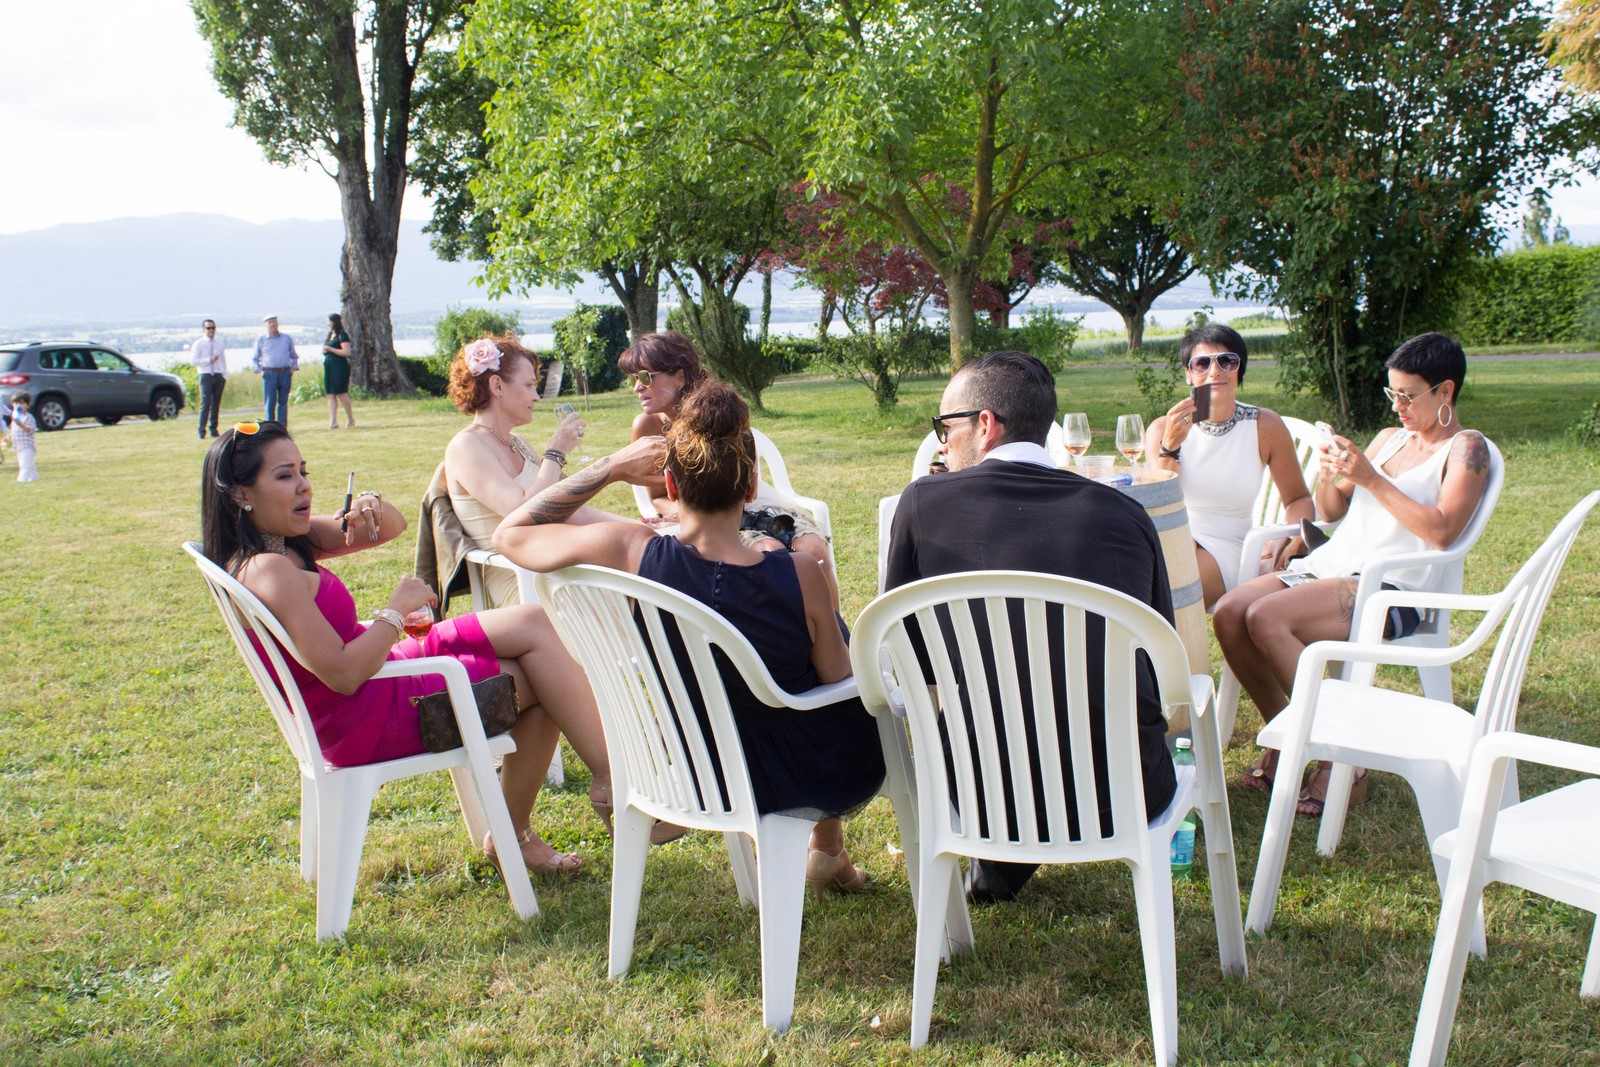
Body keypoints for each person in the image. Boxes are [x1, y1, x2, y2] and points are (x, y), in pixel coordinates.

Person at [493, 380, 885, 896]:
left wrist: (610, 467)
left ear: (671, 487)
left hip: (688, 769)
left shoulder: (632, 550)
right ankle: (827, 847)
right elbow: (837, 679)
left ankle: (828, 853)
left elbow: (511, 533)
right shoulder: (800, 573)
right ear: (751, 487)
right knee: (838, 659)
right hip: (793, 773)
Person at [201, 419, 614, 874]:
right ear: (240, 494)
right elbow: (344, 675)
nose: (304, 486)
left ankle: (594, 789)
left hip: (384, 675)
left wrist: (369, 503)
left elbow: (390, 527)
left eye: (304, 471)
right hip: (367, 716)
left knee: (533, 621)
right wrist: (394, 612)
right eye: (285, 476)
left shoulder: (285, 543)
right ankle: (580, 802)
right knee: (546, 677)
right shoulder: (270, 570)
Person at [884, 351, 1178, 903]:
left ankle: (999, 863)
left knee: (995, 711)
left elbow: (909, 658)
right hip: (1121, 788)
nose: (942, 444)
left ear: (985, 425)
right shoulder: (1125, 515)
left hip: (978, 789)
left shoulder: (923, 504)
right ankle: (1002, 869)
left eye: (946, 428)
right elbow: (1163, 664)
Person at [1214, 332, 1494, 815]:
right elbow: (1331, 511)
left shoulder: (1467, 448)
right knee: (1229, 612)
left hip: (1394, 587)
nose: (1397, 406)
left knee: (1265, 617)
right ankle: (1291, 738)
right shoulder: (1389, 439)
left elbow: (1443, 532)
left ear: (1446, 390)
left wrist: (1370, 478)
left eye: (1408, 396)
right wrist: (1331, 475)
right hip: (1332, 565)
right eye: (1392, 393)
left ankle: (1343, 762)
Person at [621, 331, 840, 608]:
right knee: (770, 552)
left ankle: (835, 627)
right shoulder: (646, 426)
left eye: (645, 377)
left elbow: (747, 474)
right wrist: (683, 510)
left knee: (813, 549)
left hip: (751, 500)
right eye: (632, 378)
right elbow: (655, 496)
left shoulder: (718, 413)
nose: (637, 387)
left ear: (679, 376)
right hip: (705, 516)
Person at [440, 335, 631, 607]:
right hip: (522, 582)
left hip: (558, 566)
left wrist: (640, 528)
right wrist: (555, 453)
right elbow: (523, 511)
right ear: (497, 386)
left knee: (647, 573)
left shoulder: (518, 443)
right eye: (529, 385)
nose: (537, 396)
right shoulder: (466, 446)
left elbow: (570, 509)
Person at [1143, 323, 1314, 606]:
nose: (1215, 371)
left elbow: (1298, 498)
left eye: (1227, 361)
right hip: (1173, 538)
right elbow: (1159, 503)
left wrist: (1293, 537)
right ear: (1189, 373)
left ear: (1239, 369)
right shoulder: (1163, 428)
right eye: (1202, 363)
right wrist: (1170, 446)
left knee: (1162, 596)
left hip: (1230, 547)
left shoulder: (1264, 425)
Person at [253, 315, 299, 426]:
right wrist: (260, 371)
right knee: (270, 402)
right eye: (270, 322)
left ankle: (282, 427)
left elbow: (294, 355)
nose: (272, 324)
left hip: (285, 373)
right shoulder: (261, 339)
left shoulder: (286, 338)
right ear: (266, 325)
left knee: (283, 401)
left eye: (274, 322)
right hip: (269, 373)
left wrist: (293, 368)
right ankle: (270, 427)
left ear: (277, 323)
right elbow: (255, 359)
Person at [190, 319, 227, 440]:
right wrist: (209, 360)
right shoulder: (199, 344)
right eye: (208, 328)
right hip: (205, 375)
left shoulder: (219, 344)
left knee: (216, 404)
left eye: (213, 328)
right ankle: (201, 430)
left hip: (218, 375)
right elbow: (194, 361)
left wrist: (224, 375)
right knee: (205, 404)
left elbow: (223, 361)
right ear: (203, 329)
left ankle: (213, 429)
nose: (211, 330)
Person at [322, 313, 355, 430]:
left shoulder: (342, 335)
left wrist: (331, 349)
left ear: (334, 322)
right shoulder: (330, 335)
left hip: (339, 367)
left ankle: (350, 419)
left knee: (341, 393)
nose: (327, 323)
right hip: (329, 367)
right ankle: (333, 421)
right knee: (330, 394)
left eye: (329, 321)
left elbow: (346, 352)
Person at [10, 393, 39, 483]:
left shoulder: (28, 417)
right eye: (16, 403)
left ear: (28, 405)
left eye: (22, 403)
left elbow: (30, 430)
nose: (19, 406)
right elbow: (14, 431)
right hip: (18, 445)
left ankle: (21, 480)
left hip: (27, 446)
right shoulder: (15, 417)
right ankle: (34, 478)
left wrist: (20, 424)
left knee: (25, 465)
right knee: (29, 465)